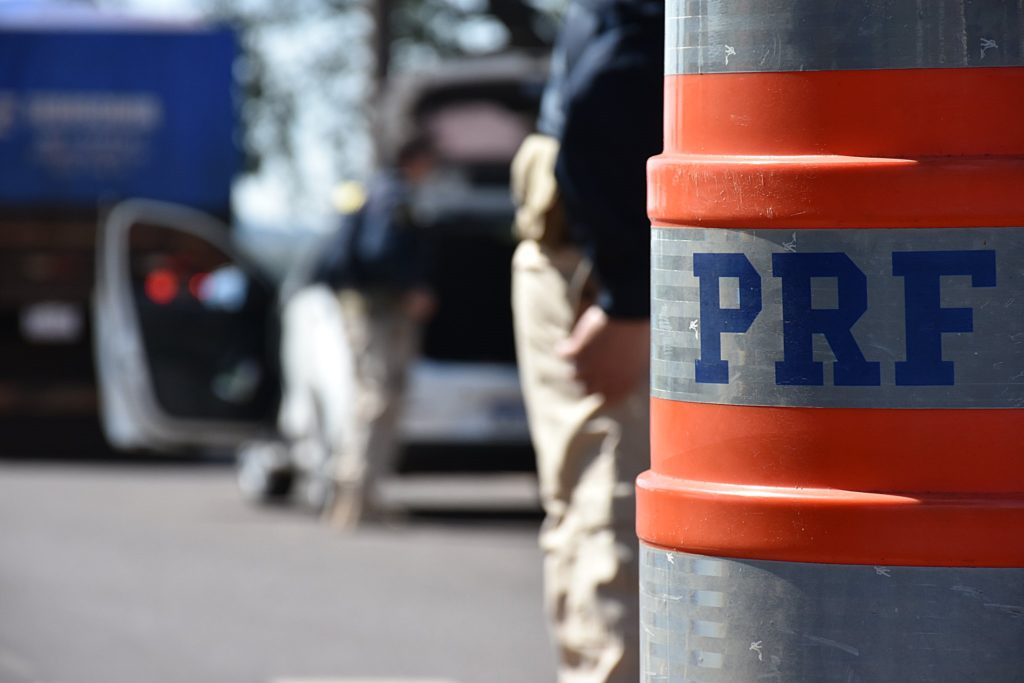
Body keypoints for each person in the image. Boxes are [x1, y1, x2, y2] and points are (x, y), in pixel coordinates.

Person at [510, 1, 664, 681]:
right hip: (599, 256)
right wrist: (626, 300)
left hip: (598, 243)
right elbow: (614, 85)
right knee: (611, 501)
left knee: (597, 503)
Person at [317, 135, 438, 529]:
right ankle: (356, 498)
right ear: (415, 159)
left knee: (370, 398)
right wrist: (409, 290)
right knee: (377, 401)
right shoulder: (395, 197)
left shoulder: (373, 190)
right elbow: (379, 252)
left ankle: (359, 496)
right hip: (381, 314)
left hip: (365, 312)